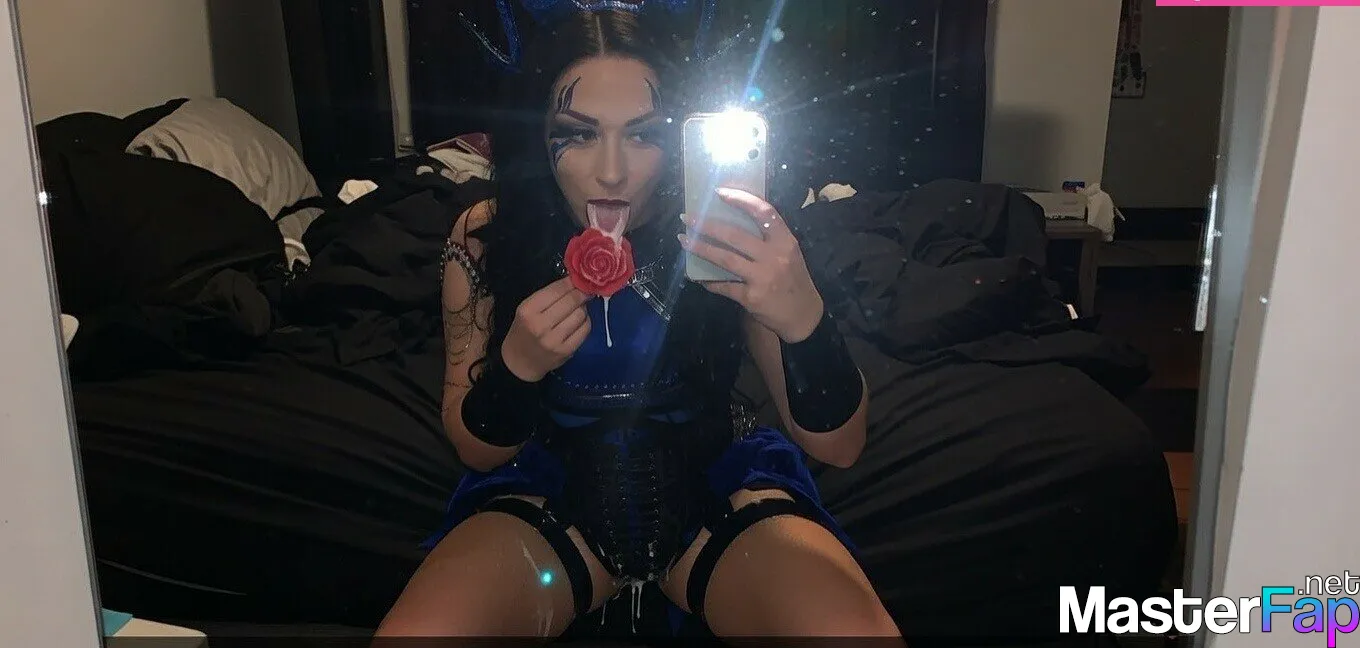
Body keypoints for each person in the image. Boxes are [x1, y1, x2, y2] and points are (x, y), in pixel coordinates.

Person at [375, 8, 902, 640]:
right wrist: (516, 369)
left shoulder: (728, 232)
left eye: (644, 134)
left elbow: (839, 447)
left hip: (714, 486)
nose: (613, 171)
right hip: (550, 493)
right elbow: (475, 448)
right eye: (578, 134)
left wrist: (805, 320)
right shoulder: (488, 234)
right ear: (537, 136)